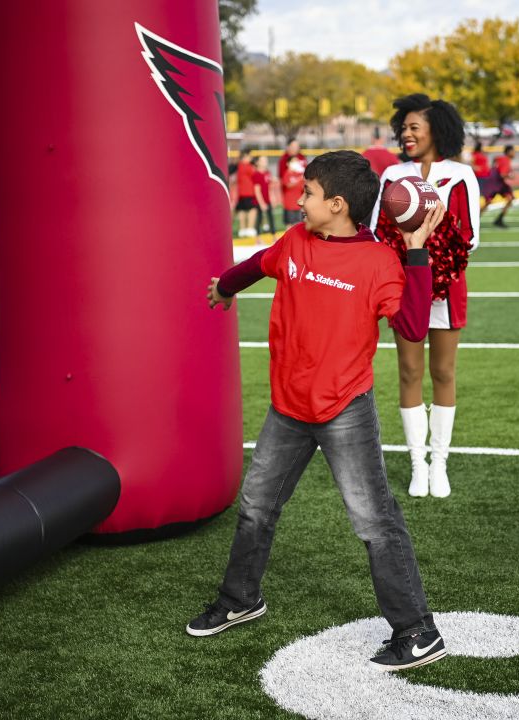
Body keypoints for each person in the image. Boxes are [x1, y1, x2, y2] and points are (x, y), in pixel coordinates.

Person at [190, 150, 449, 672]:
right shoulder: (294, 242)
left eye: (307, 193)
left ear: (335, 204)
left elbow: (414, 328)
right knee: (256, 507)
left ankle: (419, 632)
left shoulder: (379, 262)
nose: (298, 200)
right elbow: (257, 264)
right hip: (288, 407)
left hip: (344, 409)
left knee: (375, 523)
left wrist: (417, 250)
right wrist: (224, 285)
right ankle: (242, 600)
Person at [371, 93, 480, 499]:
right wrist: (410, 261)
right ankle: (418, 463)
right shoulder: (393, 175)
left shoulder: (461, 175)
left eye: (414, 126)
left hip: (448, 286)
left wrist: (432, 258)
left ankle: (440, 464)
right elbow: (380, 233)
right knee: (408, 372)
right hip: (404, 286)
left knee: (444, 373)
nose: (406, 133)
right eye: (404, 127)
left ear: (438, 129)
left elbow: (470, 238)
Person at [481, 145, 517, 228]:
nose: (515, 153)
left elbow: (495, 159)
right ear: (509, 152)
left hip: (495, 183)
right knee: (488, 203)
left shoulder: (501, 158)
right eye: (513, 151)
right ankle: (498, 220)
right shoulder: (506, 160)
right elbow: (502, 174)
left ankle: (499, 220)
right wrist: (510, 176)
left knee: (509, 198)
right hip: (495, 184)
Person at [234, 150, 259, 239]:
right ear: (245, 156)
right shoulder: (247, 166)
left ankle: (242, 229)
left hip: (241, 193)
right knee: (253, 209)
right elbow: (256, 173)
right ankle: (250, 228)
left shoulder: (239, 165)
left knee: (242, 210)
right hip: (249, 192)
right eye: (249, 156)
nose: (250, 158)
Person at [252, 155, 276, 237]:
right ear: (257, 162)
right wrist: (261, 203)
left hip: (267, 199)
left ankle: (274, 235)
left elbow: (270, 188)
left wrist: (272, 198)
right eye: (263, 161)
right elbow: (257, 191)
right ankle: (258, 237)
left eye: (266, 160)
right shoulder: (256, 174)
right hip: (260, 200)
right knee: (259, 218)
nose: (265, 162)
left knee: (271, 217)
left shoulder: (267, 173)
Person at [280, 156, 306, 225]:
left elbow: (303, 188)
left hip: (298, 204)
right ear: (288, 163)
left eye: (297, 161)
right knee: (289, 225)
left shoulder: (299, 174)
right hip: (289, 204)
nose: (296, 163)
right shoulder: (286, 174)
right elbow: (288, 185)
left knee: (299, 224)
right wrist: (299, 179)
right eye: (294, 161)